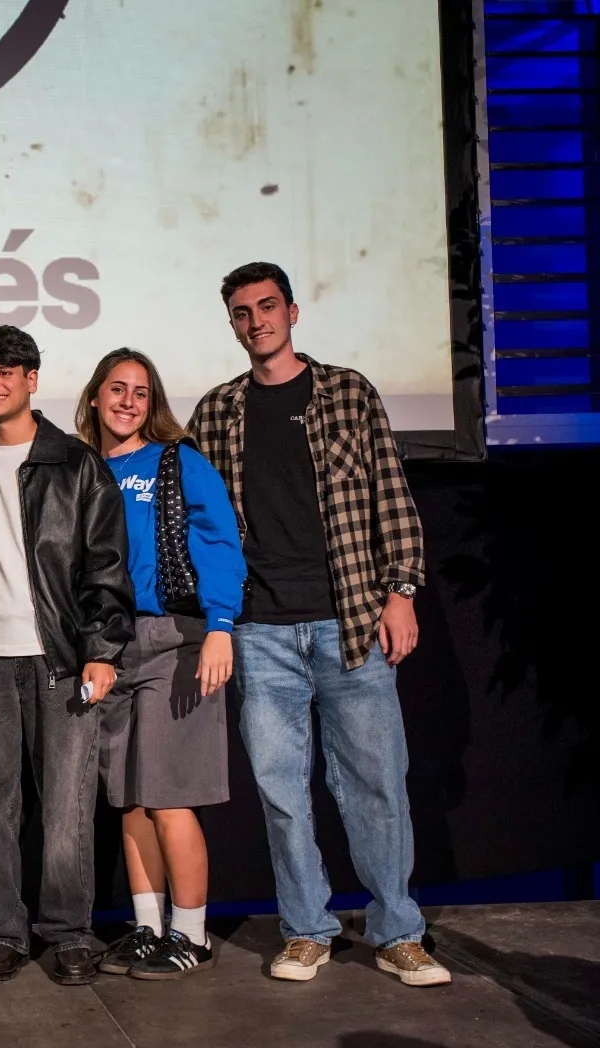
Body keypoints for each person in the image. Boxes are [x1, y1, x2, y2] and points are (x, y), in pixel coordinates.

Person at [187, 262, 450, 987]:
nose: (256, 321)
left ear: (293, 312)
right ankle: (306, 928)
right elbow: (204, 525)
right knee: (281, 793)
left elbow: (391, 493)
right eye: (242, 312)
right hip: (260, 631)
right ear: (233, 323)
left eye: (267, 306)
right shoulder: (217, 410)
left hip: (350, 622)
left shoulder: (348, 392)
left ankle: (398, 931)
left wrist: (401, 590)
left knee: (376, 785)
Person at [0, 324, 135, 985]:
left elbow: (106, 565)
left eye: (4, 372)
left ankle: (70, 932)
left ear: (31, 380)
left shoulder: (76, 464)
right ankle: (3, 932)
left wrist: (101, 648)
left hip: (61, 659)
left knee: (66, 804)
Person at [76, 349, 246, 980]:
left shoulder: (179, 462)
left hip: (176, 639)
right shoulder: (81, 468)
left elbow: (220, 542)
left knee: (170, 798)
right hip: (109, 647)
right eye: (117, 389)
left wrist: (221, 627)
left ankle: (191, 935)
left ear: (153, 404)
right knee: (131, 800)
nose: (127, 401)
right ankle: (147, 929)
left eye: (140, 392)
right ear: (95, 396)